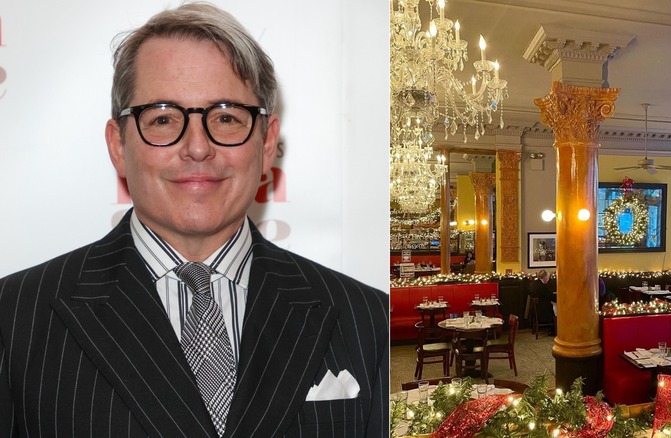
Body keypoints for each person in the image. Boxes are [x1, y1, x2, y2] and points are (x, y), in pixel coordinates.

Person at [0, 3, 388, 437]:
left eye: (225, 117)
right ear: (118, 146)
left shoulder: (367, 317)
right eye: (164, 118)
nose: (198, 147)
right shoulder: (14, 315)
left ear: (266, 145)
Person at [529, 270, 557, 335]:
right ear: (544, 277)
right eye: (548, 277)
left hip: (537, 308)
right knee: (557, 309)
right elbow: (549, 296)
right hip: (542, 310)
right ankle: (555, 329)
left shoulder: (534, 283)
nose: (548, 279)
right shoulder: (542, 287)